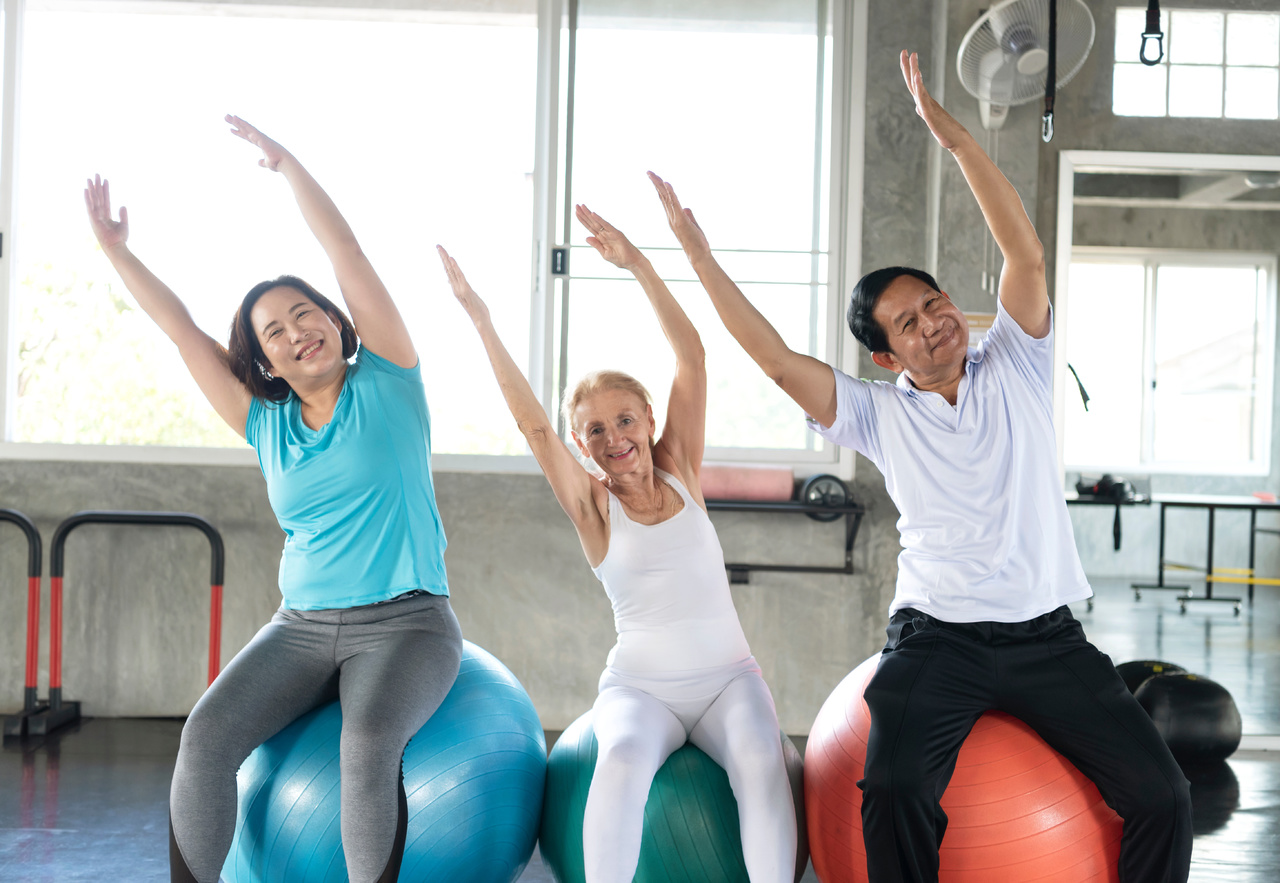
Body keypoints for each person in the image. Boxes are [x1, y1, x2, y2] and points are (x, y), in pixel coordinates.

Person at [650, 51, 1193, 883]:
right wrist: (696, 254)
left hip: (1048, 636)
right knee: (896, 785)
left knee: (1164, 795)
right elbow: (767, 355)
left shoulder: (1019, 364)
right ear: (883, 352)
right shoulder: (877, 411)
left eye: (935, 303)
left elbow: (1026, 256)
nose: (934, 323)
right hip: (938, 639)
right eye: (909, 321)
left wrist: (960, 143)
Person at [84, 116, 463, 883]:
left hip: (408, 623)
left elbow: (345, 252)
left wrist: (290, 166)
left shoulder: (389, 378)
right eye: (275, 332)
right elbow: (180, 329)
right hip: (299, 628)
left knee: (365, 747)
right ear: (263, 359)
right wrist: (117, 253)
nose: (297, 333)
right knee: (207, 733)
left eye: (305, 314)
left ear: (335, 320)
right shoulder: (265, 424)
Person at [437, 201, 796, 883]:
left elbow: (691, 352)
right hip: (641, 688)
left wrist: (639, 265)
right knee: (623, 757)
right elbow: (533, 427)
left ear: (649, 418)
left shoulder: (682, 466)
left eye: (624, 419)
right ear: (583, 444)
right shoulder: (593, 507)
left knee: (759, 757)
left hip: (729, 680)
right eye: (594, 430)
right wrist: (483, 321)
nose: (614, 438)